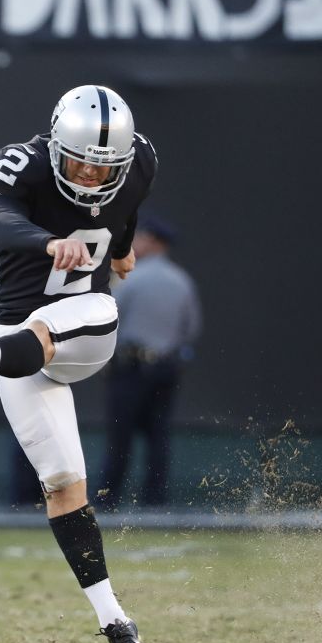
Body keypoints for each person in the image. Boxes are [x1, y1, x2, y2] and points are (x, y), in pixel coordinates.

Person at [0, 85, 158, 643]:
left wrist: (121, 251)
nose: (91, 175)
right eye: (80, 160)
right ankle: (117, 625)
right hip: (18, 341)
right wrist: (49, 242)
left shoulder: (141, 160)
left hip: (86, 331)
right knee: (63, 486)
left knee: (96, 309)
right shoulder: (16, 166)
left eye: (105, 166)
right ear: (55, 143)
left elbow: (122, 213)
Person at [96, 216, 201, 509]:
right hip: (166, 368)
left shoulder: (132, 279)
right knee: (158, 436)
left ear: (154, 241)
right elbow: (191, 329)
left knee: (120, 437)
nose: (135, 243)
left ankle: (108, 499)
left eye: (140, 238)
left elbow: (110, 321)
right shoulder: (182, 281)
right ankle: (155, 501)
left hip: (130, 366)